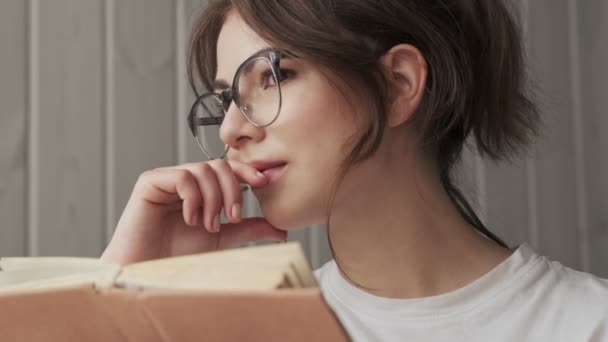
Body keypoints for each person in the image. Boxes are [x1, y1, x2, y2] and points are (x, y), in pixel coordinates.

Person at [101, 0, 608, 340]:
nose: (231, 128)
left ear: (398, 84)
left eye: (275, 76)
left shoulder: (587, 324)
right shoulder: (249, 330)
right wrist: (114, 293)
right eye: (228, 96)